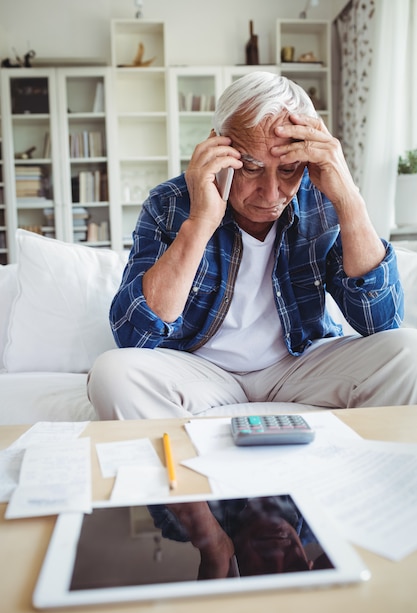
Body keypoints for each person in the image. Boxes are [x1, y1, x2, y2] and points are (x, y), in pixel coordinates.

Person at [87, 71, 417, 420]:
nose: (272, 193)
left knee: (409, 353)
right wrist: (200, 222)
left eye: (289, 169)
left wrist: (349, 198)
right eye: (251, 167)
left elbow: (381, 323)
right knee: (112, 375)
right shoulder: (170, 203)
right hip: (201, 369)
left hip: (300, 363)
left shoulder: (321, 198)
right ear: (217, 147)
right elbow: (133, 336)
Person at [148, 495, 332, 579]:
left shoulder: (181, 526)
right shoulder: (329, 518)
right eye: (293, 568)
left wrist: (214, 549)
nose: (277, 555)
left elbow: (153, 452)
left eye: (265, 571)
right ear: (311, 567)